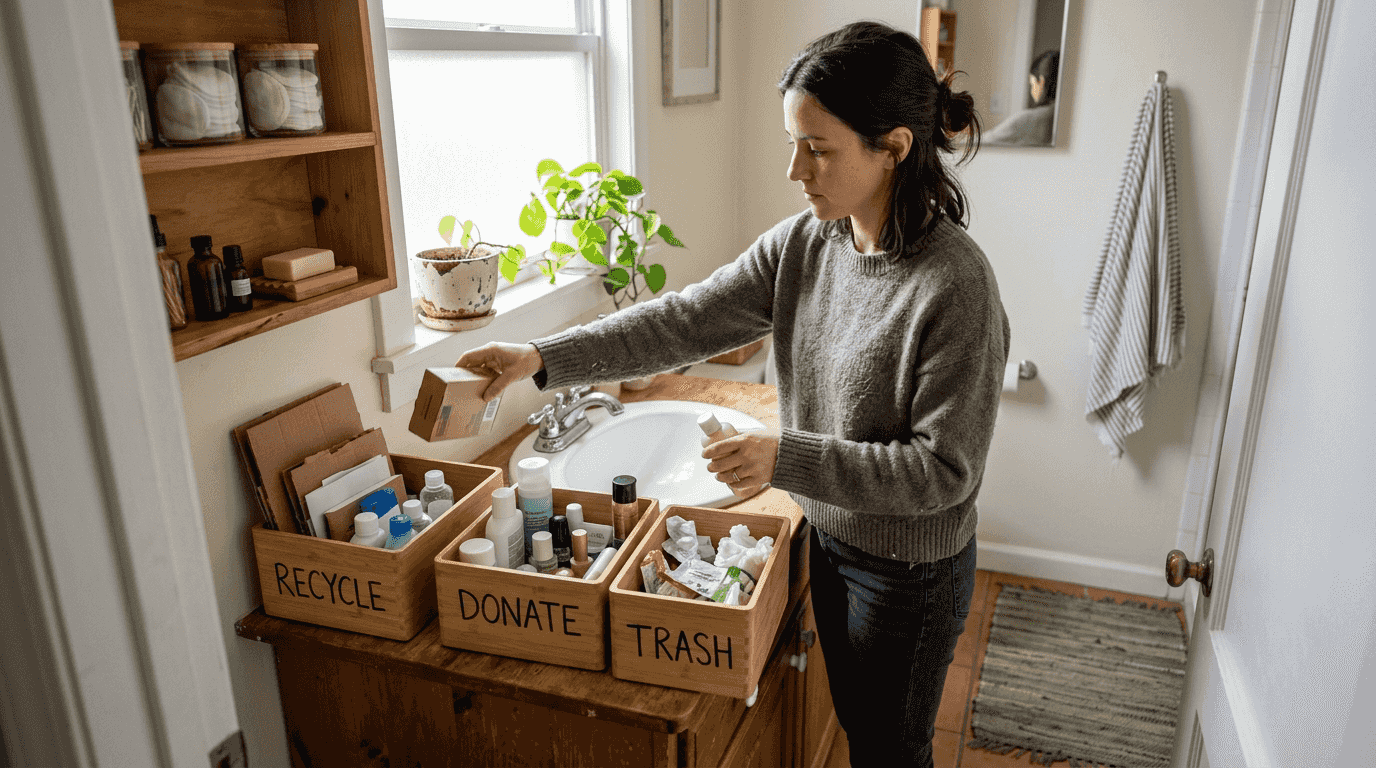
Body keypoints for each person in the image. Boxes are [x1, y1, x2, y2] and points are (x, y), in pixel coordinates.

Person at [457, 20, 1008, 768]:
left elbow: (943, 473)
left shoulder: (956, 285)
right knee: (864, 735)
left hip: (909, 574)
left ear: (895, 148)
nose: (795, 170)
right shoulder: (806, 245)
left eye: (818, 149)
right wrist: (540, 357)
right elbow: (682, 322)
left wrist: (786, 457)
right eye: (793, 142)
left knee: (891, 752)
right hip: (834, 541)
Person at [985, 49, 1060, 146]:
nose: (1032, 90)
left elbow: (983, 142)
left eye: (1032, 84)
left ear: (1041, 82)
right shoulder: (1068, 116)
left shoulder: (1029, 119)